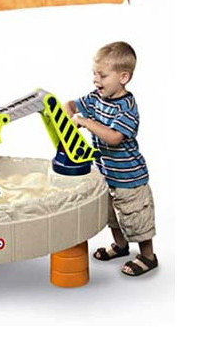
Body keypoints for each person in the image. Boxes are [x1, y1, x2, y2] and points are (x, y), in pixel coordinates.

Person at [65, 41, 158, 277]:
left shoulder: (127, 108)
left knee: (136, 218)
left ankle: (148, 256)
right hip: (106, 174)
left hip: (130, 178)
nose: (96, 80)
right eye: (94, 74)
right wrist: (68, 121)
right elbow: (70, 105)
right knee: (112, 216)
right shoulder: (96, 98)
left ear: (123, 77)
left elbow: (115, 138)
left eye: (103, 75)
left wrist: (85, 122)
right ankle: (120, 246)